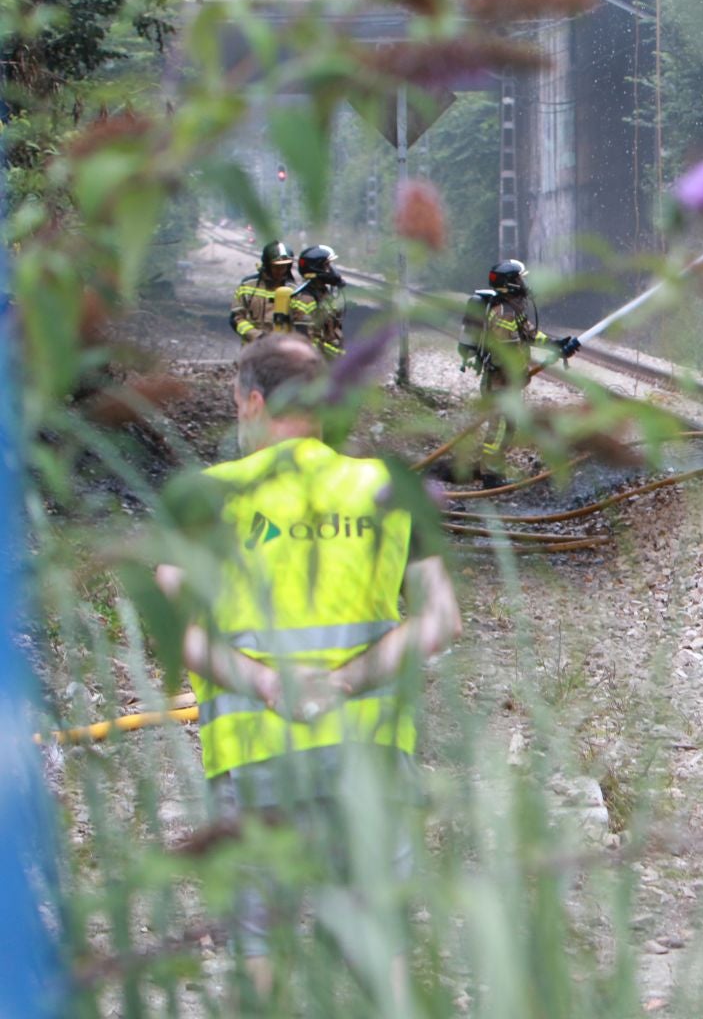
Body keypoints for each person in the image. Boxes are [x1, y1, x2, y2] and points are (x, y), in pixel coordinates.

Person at [155, 334, 461, 1000]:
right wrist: (347, 680)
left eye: (239, 406)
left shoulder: (203, 494)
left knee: (259, 937)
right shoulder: (387, 487)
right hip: (369, 755)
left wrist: (264, 682)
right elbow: (441, 619)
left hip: (257, 756)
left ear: (255, 402)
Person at [456, 259, 579, 472]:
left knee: (507, 426)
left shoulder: (512, 308)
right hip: (500, 384)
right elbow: (505, 353)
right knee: (501, 427)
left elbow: (529, 334)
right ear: (511, 283)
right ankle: (489, 473)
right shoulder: (504, 313)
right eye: (520, 278)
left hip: (504, 383)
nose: (524, 283)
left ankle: (489, 468)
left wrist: (555, 345)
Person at [229, 241, 301, 346]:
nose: (280, 271)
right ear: (267, 265)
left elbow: (300, 322)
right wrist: (257, 336)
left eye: (284, 267)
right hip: (252, 350)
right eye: (276, 267)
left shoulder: (294, 290)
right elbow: (236, 319)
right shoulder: (248, 286)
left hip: (282, 350)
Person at [292, 244, 346, 358]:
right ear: (315, 269)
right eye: (327, 266)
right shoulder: (306, 300)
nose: (332, 270)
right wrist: (337, 354)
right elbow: (307, 342)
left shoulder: (323, 293)